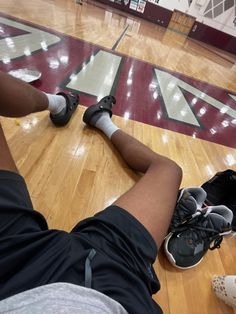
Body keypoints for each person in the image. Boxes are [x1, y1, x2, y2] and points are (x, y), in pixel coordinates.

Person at [0, 71, 183, 313]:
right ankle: (98, 118)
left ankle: (59, 103)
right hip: (111, 286)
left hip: (12, 270)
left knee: (167, 170)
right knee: (168, 169)